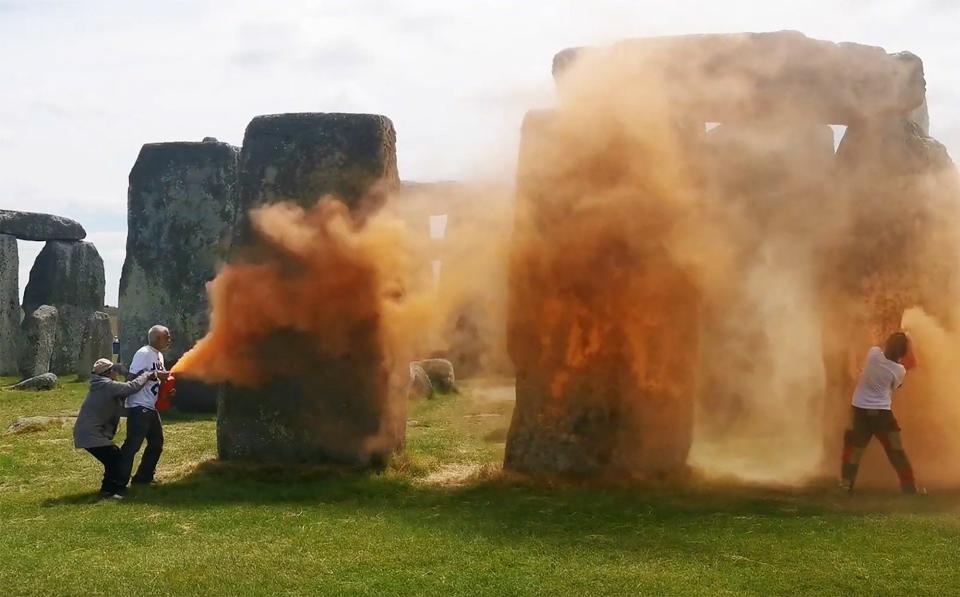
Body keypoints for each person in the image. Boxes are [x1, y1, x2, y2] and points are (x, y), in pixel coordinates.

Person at [839, 331, 919, 494]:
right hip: (882, 416)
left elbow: (881, 344)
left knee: (853, 451)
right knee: (896, 452)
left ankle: (846, 484)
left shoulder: (873, 354)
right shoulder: (898, 370)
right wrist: (909, 341)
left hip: (859, 412)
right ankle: (909, 488)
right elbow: (895, 386)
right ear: (902, 352)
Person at [73, 358, 164, 499]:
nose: (117, 372)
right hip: (91, 434)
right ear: (109, 372)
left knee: (114, 458)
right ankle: (108, 491)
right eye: (114, 370)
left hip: (88, 433)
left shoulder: (101, 385)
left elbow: (120, 409)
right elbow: (130, 387)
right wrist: (147, 374)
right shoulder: (106, 385)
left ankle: (109, 489)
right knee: (115, 459)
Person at [118, 324, 174, 489]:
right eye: (167, 336)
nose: (169, 339)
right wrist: (155, 375)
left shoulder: (159, 356)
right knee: (132, 446)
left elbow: (156, 381)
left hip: (151, 406)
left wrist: (166, 391)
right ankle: (117, 482)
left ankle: (143, 478)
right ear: (157, 338)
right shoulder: (144, 353)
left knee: (156, 442)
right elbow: (132, 377)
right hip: (139, 405)